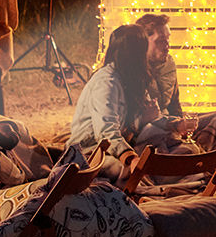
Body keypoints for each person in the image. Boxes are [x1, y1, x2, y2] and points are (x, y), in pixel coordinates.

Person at [66, 24, 155, 182]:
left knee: (169, 150)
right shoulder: (107, 82)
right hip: (90, 152)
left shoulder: (133, 78)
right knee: (126, 171)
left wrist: (173, 124)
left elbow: (145, 117)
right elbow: (106, 133)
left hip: (123, 145)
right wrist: (130, 158)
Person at [134, 13, 216, 152]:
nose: (167, 45)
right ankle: (193, 159)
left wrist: (182, 124)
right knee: (160, 137)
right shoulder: (133, 69)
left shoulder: (168, 63)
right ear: (143, 41)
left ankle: (202, 159)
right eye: (161, 40)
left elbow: (175, 103)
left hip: (172, 122)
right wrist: (173, 126)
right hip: (152, 129)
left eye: (168, 39)